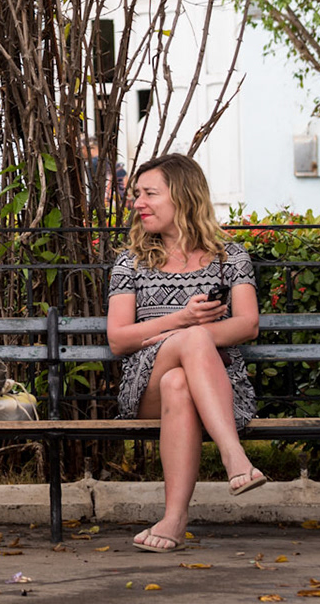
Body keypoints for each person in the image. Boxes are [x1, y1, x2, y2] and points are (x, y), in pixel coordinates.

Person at [107, 153, 264, 553]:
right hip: (145, 385)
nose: (138, 203)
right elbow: (119, 339)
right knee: (192, 340)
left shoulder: (231, 257)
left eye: (150, 194)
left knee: (180, 381)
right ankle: (234, 456)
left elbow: (248, 324)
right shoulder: (131, 262)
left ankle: (174, 520)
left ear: (182, 195)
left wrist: (188, 334)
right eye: (137, 194)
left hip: (217, 384)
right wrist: (182, 321)